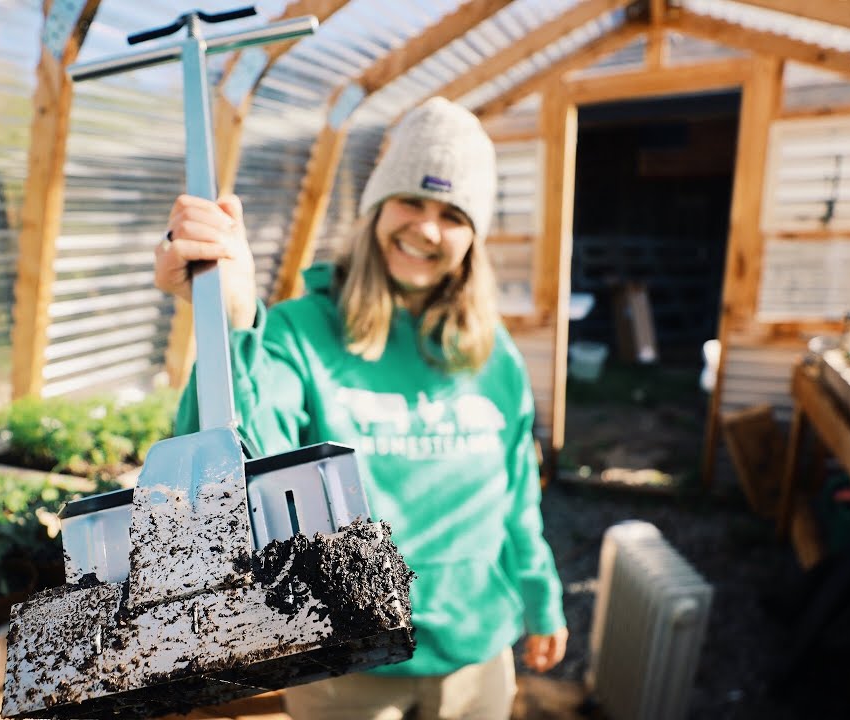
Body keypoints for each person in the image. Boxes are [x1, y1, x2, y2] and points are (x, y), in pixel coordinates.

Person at [156, 96, 567, 720]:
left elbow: (516, 494)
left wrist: (541, 597)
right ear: (376, 208)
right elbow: (241, 458)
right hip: (348, 650)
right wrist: (232, 315)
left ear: (473, 237)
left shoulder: (492, 354)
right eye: (411, 201)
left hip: (477, 645)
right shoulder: (301, 332)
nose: (427, 228)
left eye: (452, 214)